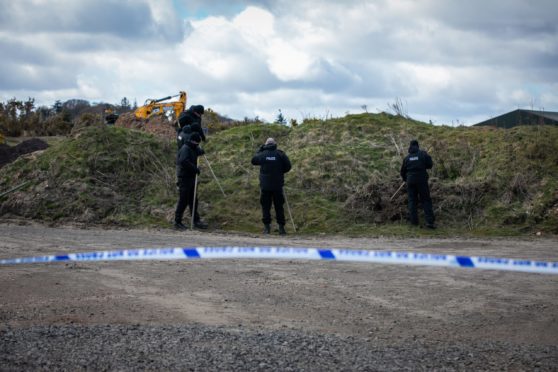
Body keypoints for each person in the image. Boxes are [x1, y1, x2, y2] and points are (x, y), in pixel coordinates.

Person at [251, 137, 292, 235]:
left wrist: (260, 149)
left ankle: (267, 228)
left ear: (266, 144)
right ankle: (281, 229)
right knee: (279, 206)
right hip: (278, 185)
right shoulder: (280, 154)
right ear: (275, 144)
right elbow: (288, 166)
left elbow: (253, 160)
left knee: (266, 206)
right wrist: (280, 172)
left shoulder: (262, 154)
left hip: (265, 186)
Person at [174, 132, 208, 230]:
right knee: (183, 200)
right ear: (193, 141)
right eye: (197, 143)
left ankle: (196, 221)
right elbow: (184, 161)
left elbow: (198, 151)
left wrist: (201, 151)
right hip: (184, 178)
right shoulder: (185, 149)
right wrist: (195, 168)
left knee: (194, 200)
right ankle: (177, 222)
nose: (198, 145)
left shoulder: (193, 148)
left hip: (192, 178)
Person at [400, 139, 435, 228]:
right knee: (425, 200)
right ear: (417, 146)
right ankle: (429, 222)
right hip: (421, 180)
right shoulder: (423, 154)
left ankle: (414, 222)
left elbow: (402, 172)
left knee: (412, 201)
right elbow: (430, 165)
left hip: (410, 181)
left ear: (410, 147)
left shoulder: (407, 158)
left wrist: (405, 179)